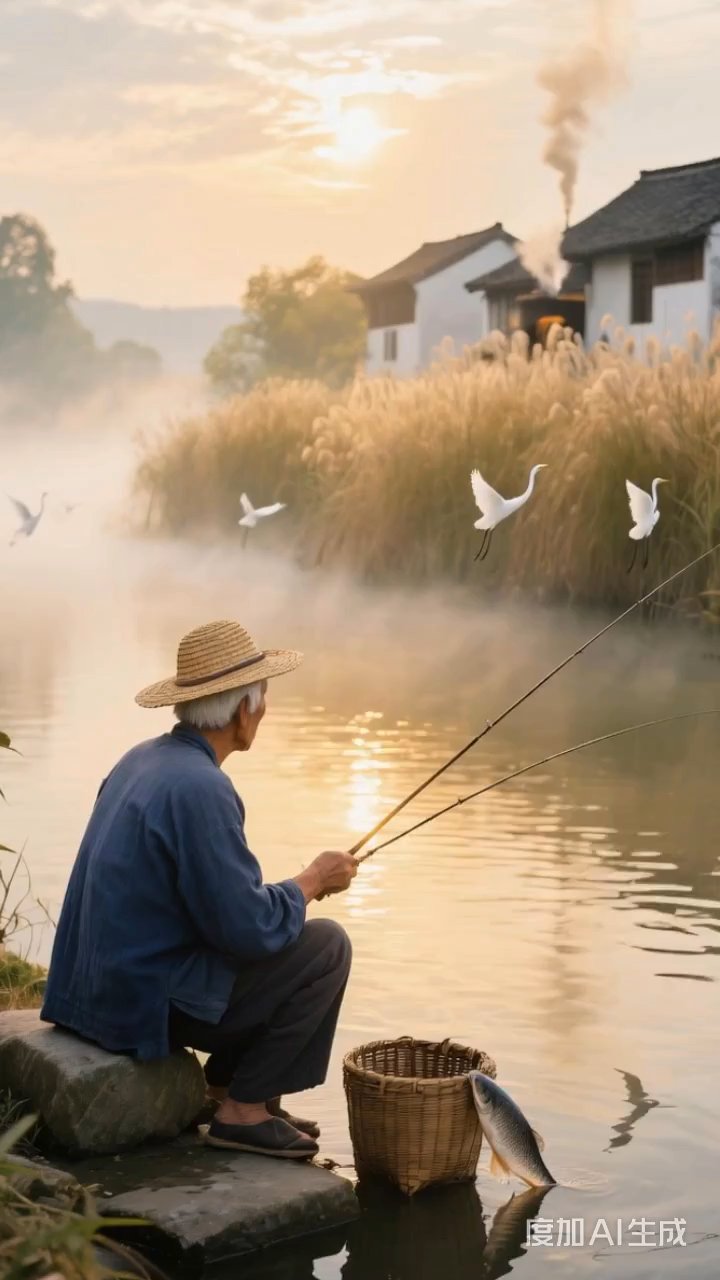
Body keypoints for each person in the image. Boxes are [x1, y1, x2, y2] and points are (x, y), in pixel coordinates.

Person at [41, 619, 357, 1160]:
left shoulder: (142, 758)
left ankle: (222, 1091)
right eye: (263, 700)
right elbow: (248, 930)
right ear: (242, 710)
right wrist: (311, 881)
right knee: (326, 946)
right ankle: (243, 1111)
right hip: (137, 1003)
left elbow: (215, 908)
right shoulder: (203, 788)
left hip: (91, 992)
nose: (263, 711)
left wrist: (289, 893)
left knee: (288, 929)